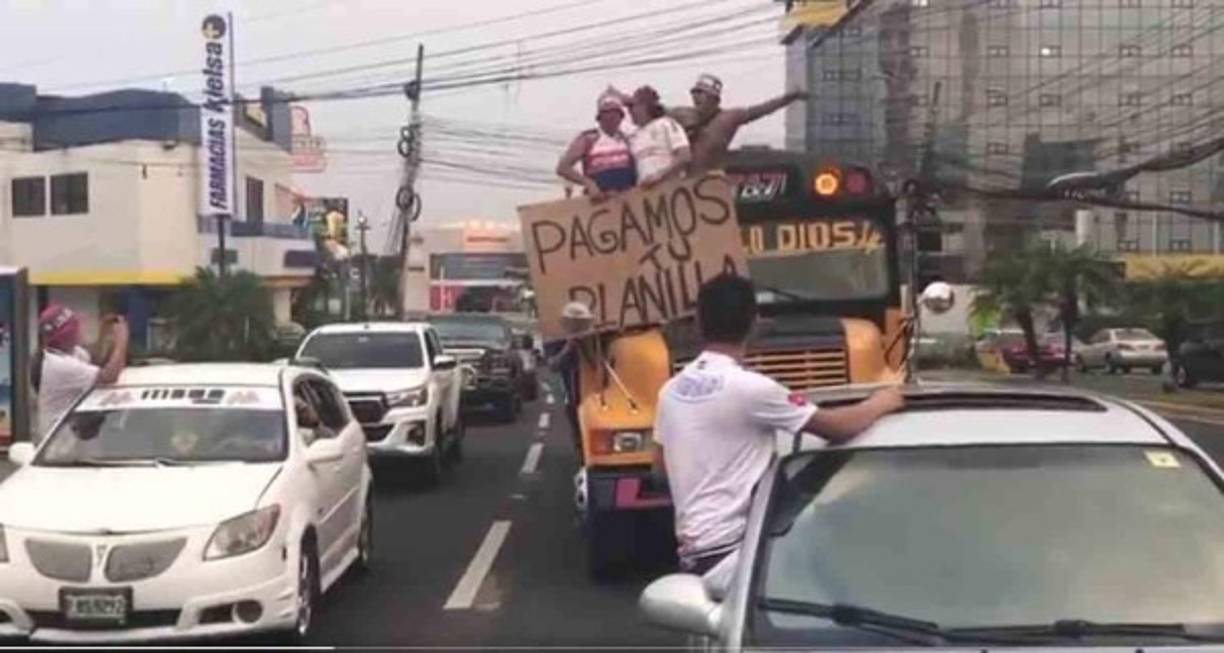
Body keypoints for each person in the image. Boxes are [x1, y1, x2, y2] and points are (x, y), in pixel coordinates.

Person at [652, 273, 904, 576]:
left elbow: (660, 471)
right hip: (738, 555)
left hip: (694, 555)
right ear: (754, 323)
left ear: (698, 323)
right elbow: (837, 427)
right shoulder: (752, 388)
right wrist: (881, 402)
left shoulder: (670, 391)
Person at [669, 74, 808, 173]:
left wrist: (789, 98)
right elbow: (659, 111)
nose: (696, 97)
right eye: (695, 94)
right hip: (685, 180)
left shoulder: (728, 118)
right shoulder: (683, 114)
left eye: (701, 94)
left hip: (712, 180)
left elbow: (760, 110)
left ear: (714, 99)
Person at [34, 305, 129, 443]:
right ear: (68, 335)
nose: (79, 330)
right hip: (60, 443)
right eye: (76, 328)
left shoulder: (68, 351)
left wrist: (103, 331)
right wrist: (122, 341)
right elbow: (109, 376)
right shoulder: (59, 366)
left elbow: (94, 357)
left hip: (77, 437)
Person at [556, 93, 637, 199]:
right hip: (599, 199)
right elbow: (563, 167)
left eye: (614, 113)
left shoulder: (627, 139)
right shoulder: (588, 138)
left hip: (626, 198)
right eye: (606, 113)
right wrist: (588, 183)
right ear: (600, 117)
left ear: (621, 117)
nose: (610, 117)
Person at [617, 85, 692, 188]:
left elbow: (684, 156)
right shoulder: (634, 136)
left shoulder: (667, 124)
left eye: (633, 106)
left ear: (645, 106)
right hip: (647, 192)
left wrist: (660, 175)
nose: (630, 111)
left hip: (671, 188)